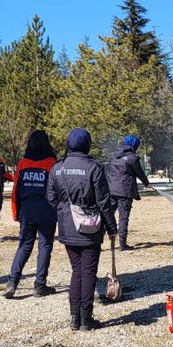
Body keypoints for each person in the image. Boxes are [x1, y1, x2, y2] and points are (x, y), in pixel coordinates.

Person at [46, 128, 118, 332]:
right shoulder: (94, 167)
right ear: (87, 144)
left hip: (67, 227)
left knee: (76, 271)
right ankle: (86, 319)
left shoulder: (56, 167)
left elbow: (50, 197)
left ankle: (74, 318)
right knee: (88, 273)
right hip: (90, 227)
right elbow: (104, 202)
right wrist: (111, 227)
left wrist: (63, 212)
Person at [5, 130, 58, 299]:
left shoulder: (23, 163)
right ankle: (40, 284)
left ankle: (12, 282)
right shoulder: (51, 163)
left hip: (27, 210)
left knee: (24, 245)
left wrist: (16, 213)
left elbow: (16, 191)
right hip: (47, 210)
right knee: (45, 246)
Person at [107, 135, 152, 251]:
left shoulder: (113, 156)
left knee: (108, 216)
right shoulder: (132, 158)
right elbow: (140, 172)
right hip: (125, 191)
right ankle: (122, 244)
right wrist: (147, 183)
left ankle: (96, 243)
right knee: (123, 218)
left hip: (111, 190)